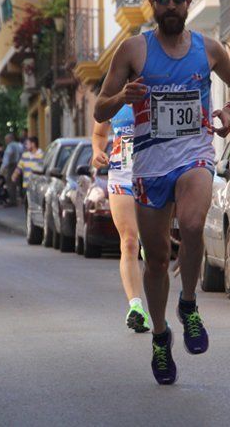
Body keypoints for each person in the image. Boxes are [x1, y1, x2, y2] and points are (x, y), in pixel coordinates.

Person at [94, 0, 230, 385]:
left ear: (188, 1)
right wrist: (122, 95)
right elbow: (99, 110)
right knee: (157, 257)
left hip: (194, 154)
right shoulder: (133, 51)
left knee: (195, 223)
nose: (171, 5)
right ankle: (161, 336)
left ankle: (190, 304)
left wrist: (229, 111)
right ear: (152, 4)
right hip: (148, 164)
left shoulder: (209, 49)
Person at [92, 108, 150, 333]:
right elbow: (99, 133)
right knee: (128, 242)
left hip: (155, 172)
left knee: (154, 247)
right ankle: (136, 307)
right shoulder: (114, 94)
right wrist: (97, 150)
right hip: (121, 172)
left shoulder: (160, 82)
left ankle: (158, 308)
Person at [13, 136, 43, 204]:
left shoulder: (42, 156)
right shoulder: (25, 155)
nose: (26, 146)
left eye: (27, 144)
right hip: (26, 185)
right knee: (28, 205)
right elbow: (19, 167)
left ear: (33, 144)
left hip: (37, 186)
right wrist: (14, 175)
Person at [0, 132, 23, 207]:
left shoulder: (10, 146)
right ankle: (20, 198)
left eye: (6, 139)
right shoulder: (19, 145)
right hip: (20, 165)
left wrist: (2, 168)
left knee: (10, 183)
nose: (5, 141)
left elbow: (7, 157)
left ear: (10, 139)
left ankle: (12, 200)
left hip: (12, 165)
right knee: (18, 182)